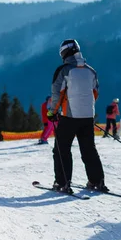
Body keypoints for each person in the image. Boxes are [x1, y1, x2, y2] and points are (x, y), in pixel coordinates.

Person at [48, 39, 107, 193]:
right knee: (89, 149)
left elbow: (57, 94)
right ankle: (97, 181)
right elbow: (95, 93)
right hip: (88, 117)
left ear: (65, 53)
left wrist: (52, 112)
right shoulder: (90, 70)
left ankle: (63, 182)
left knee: (61, 149)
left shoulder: (64, 70)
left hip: (69, 117)